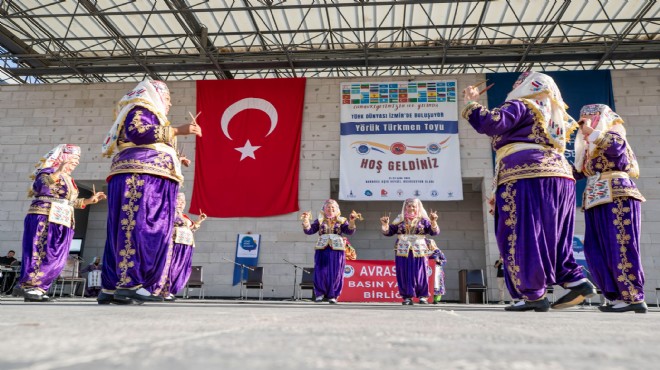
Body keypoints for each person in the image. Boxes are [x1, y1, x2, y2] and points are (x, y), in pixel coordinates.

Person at [462, 71, 596, 312]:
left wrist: (472, 102)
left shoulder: (522, 104)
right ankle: (576, 280)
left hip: (526, 173)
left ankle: (532, 294)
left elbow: (490, 123)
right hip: (561, 177)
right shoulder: (556, 115)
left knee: (521, 233)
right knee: (555, 236)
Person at [98, 79, 201, 305]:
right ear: (155, 95)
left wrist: (175, 157)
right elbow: (139, 132)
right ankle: (129, 283)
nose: (170, 104)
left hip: (147, 174)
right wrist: (178, 130)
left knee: (129, 227)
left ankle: (112, 285)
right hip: (141, 175)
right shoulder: (142, 108)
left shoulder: (151, 114)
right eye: (168, 98)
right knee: (139, 226)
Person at [573, 104, 647, 313]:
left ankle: (632, 296)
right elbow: (577, 172)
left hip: (618, 193)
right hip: (595, 199)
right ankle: (615, 296)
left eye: (590, 118)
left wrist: (592, 133)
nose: (584, 123)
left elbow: (615, 149)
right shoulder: (588, 149)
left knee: (621, 244)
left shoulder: (613, 134)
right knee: (595, 249)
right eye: (582, 120)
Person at [18, 145, 106, 302]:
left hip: (62, 219)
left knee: (56, 255)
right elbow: (42, 186)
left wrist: (89, 200)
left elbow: (69, 201)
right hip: (45, 217)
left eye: (77, 160)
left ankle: (39, 287)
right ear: (63, 158)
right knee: (41, 251)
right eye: (73, 159)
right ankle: (31, 286)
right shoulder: (47, 171)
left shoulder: (68, 179)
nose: (76, 163)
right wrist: (58, 170)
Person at [381, 198, 439, 305]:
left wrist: (433, 221)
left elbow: (434, 232)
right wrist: (385, 225)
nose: (411, 208)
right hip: (402, 249)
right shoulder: (399, 220)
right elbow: (389, 232)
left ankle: (423, 296)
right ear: (405, 207)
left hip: (419, 249)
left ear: (418, 207)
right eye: (409, 206)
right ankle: (407, 297)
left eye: (414, 206)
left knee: (421, 272)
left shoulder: (424, 220)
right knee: (403, 272)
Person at [301, 199, 359, 304]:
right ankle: (319, 294)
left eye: (333, 207)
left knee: (336, 272)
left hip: (337, 250)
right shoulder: (319, 220)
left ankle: (333, 295)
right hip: (322, 248)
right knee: (320, 271)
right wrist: (305, 221)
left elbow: (349, 231)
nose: (330, 209)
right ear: (324, 209)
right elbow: (310, 231)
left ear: (337, 209)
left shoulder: (342, 220)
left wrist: (352, 221)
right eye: (328, 207)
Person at [156, 193, 207, 302]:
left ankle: (170, 291)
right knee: (172, 268)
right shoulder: (170, 212)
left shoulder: (184, 216)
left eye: (183, 202)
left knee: (181, 269)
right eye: (179, 200)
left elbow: (191, 228)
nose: (182, 203)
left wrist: (199, 220)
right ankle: (164, 291)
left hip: (186, 247)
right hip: (175, 245)